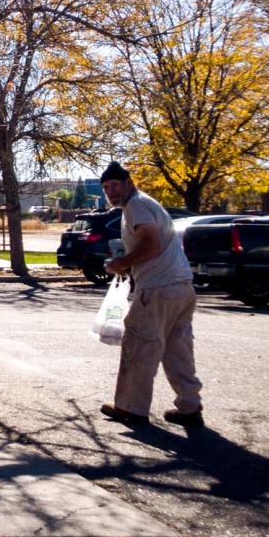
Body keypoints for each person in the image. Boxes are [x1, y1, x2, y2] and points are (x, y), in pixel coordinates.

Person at [97, 161, 205, 429]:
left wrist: (122, 264)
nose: (110, 191)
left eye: (114, 185)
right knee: (177, 349)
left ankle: (130, 408)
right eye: (106, 187)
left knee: (139, 344)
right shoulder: (147, 203)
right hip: (182, 285)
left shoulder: (137, 205)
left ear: (129, 183)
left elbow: (151, 244)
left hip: (158, 288)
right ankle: (190, 406)